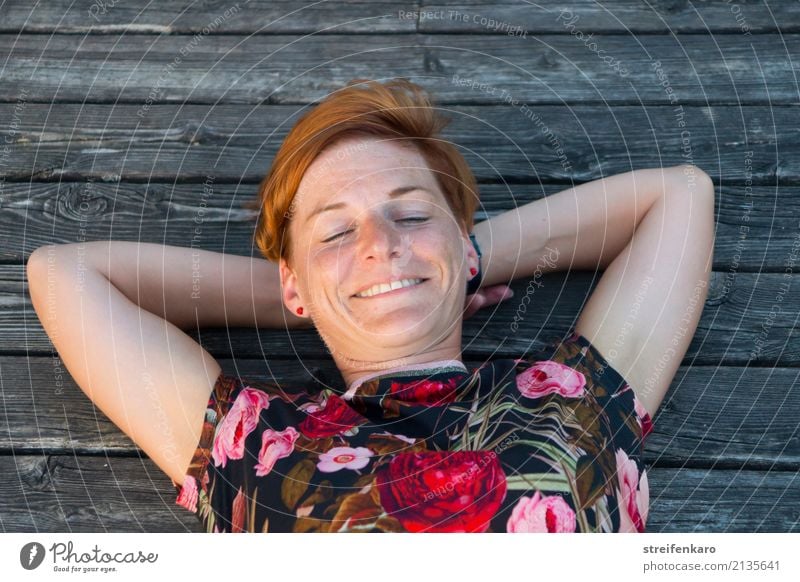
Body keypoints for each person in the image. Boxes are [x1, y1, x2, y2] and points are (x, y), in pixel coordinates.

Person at [26, 78, 715, 533]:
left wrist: (453, 265)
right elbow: (62, 274)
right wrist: (316, 293)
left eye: (412, 216)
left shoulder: (571, 402)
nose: (380, 244)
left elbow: (680, 196)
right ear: (291, 280)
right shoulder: (258, 449)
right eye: (335, 230)